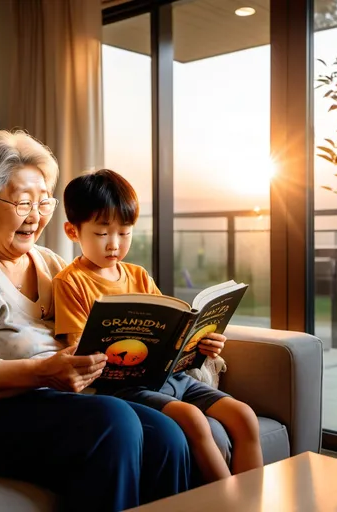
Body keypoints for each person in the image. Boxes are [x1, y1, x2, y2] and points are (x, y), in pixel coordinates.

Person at [0, 130, 193, 512]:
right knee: (112, 421)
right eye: (23, 203)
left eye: (44, 202)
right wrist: (42, 372)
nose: (36, 217)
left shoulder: (51, 263)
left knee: (166, 434)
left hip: (43, 402)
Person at [53, 168, 263, 484]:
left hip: (171, 376)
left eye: (125, 233)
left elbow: (171, 330)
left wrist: (202, 343)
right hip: (125, 387)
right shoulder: (71, 282)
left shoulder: (138, 275)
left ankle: (255, 502)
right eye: (102, 233)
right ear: (72, 231)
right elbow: (79, 348)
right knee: (192, 418)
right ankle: (230, 503)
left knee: (244, 416)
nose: (114, 244)